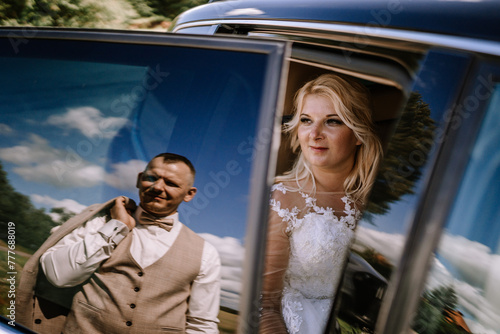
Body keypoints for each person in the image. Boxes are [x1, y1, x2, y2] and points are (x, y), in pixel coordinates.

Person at [17, 153, 221, 334]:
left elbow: (202, 325)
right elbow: (58, 276)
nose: (157, 187)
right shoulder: (101, 221)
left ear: (189, 194)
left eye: (171, 183)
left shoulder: (206, 253)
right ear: (140, 179)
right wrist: (115, 227)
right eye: (152, 178)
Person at [259, 74, 383, 334]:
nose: (314, 134)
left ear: (358, 134)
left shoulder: (374, 205)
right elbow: (265, 306)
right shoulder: (282, 198)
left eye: (332, 122)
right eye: (306, 121)